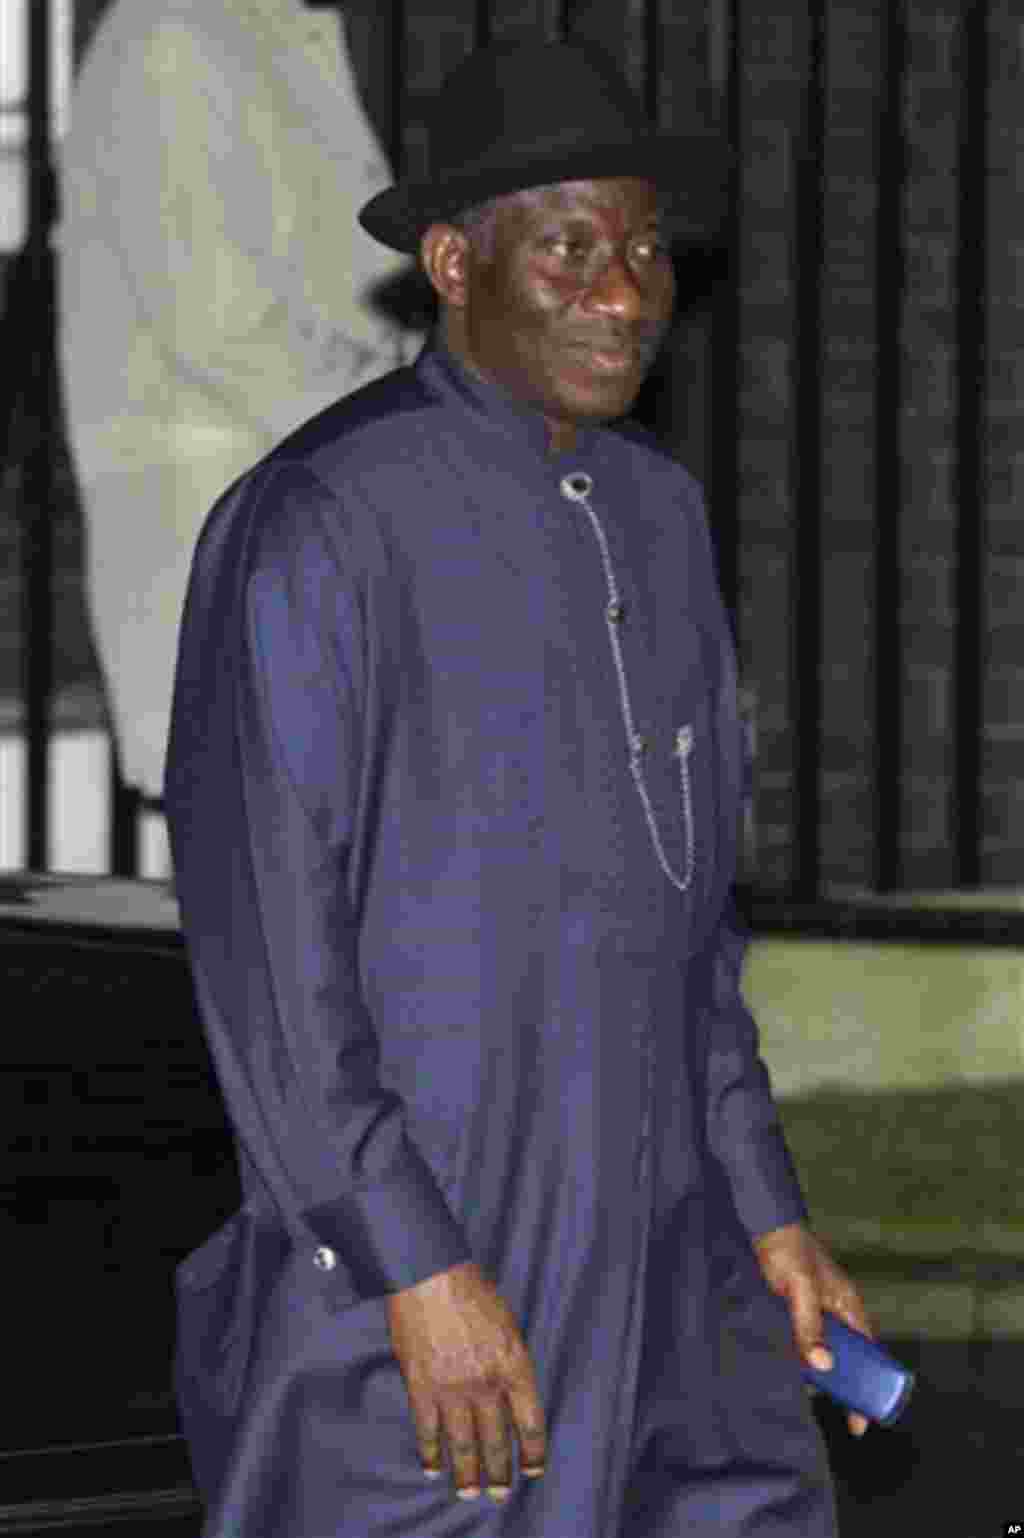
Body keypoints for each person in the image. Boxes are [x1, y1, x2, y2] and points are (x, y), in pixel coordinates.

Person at [165, 37, 872, 1538]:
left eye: (642, 250)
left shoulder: (658, 518)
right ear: (451, 260)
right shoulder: (318, 522)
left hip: (670, 1285)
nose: (625, 293)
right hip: (426, 1302)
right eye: (570, 249)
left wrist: (768, 1206)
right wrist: (411, 1260)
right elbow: (271, 956)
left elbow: (693, 933)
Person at [57, 0, 418, 811]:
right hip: (241, 535)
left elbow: (362, 297)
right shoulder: (172, 39)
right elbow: (219, 324)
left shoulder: (269, 35)